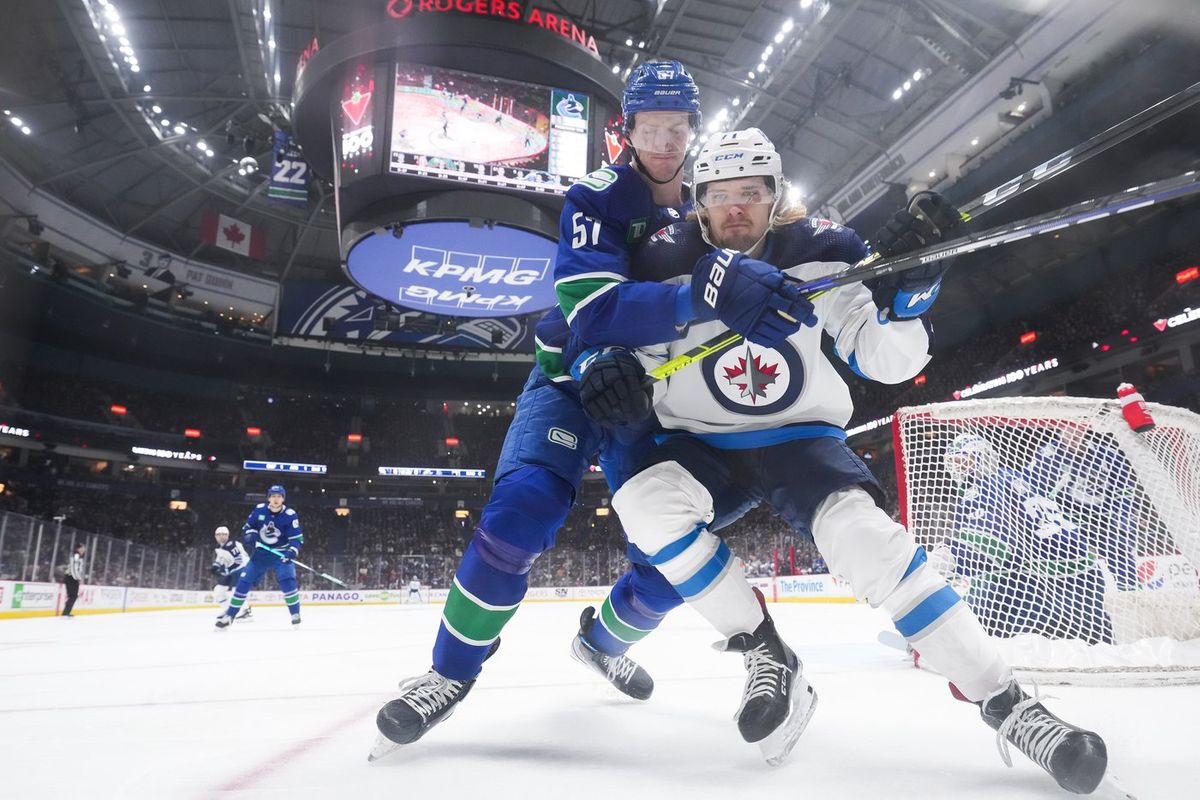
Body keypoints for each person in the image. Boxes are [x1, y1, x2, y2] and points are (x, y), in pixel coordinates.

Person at [573, 129, 1111, 791]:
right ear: (698, 202)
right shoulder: (664, 259)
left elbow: (888, 360)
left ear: (775, 198)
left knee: (869, 543)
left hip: (801, 441)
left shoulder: (823, 251)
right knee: (644, 507)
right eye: (719, 195)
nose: (735, 208)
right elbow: (620, 337)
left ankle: (1008, 703)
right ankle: (766, 654)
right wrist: (608, 366)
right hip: (700, 446)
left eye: (751, 192)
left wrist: (909, 299)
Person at [370, 60, 704, 761]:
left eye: (680, 126)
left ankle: (601, 642)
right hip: (574, 376)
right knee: (520, 511)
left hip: (657, 392)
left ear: (694, 130)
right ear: (629, 129)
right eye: (653, 127)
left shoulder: (712, 204)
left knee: (674, 556)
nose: (668, 141)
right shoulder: (600, 194)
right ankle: (448, 674)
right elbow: (589, 307)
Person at [931, 433, 1113, 645]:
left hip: (1046, 582)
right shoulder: (1014, 476)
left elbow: (993, 545)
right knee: (1098, 645)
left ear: (983, 456)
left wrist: (949, 556)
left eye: (965, 460)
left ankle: (953, 641)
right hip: (1085, 572)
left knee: (1006, 639)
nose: (960, 467)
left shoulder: (981, 490)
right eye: (956, 462)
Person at [216, 485, 304, 630]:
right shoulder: (259, 510)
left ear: (283, 498)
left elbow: (296, 538)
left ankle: (295, 614)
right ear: (269, 497)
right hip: (261, 554)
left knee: (288, 582)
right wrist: (250, 536)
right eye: (273, 496)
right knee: (243, 583)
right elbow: (247, 528)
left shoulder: (290, 514)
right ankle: (230, 616)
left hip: (281, 554)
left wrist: (292, 551)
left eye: (279, 496)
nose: (276, 499)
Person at [211, 525, 252, 622]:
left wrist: (225, 570)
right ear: (215, 536)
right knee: (218, 590)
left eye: (224, 534)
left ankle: (246, 612)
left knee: (236, 590)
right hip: (234, 571)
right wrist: (215, 566)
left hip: (242, 569)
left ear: (228, 535)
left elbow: (238, 560)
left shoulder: (232, 544)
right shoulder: (221, 547)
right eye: (219, 534)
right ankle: (227, 610)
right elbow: (221, 558)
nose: (221, 536)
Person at [61, 543, 85, 618]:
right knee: (73, 596)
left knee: (73, 596)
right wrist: (78, 578)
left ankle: (66, 611)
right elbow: (74, 568)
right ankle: (66, 612)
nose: (84, 550)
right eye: (83, 548)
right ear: (79, 548)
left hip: (72, 577)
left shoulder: (78, 556)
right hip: (72, 577)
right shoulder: (76, 556)